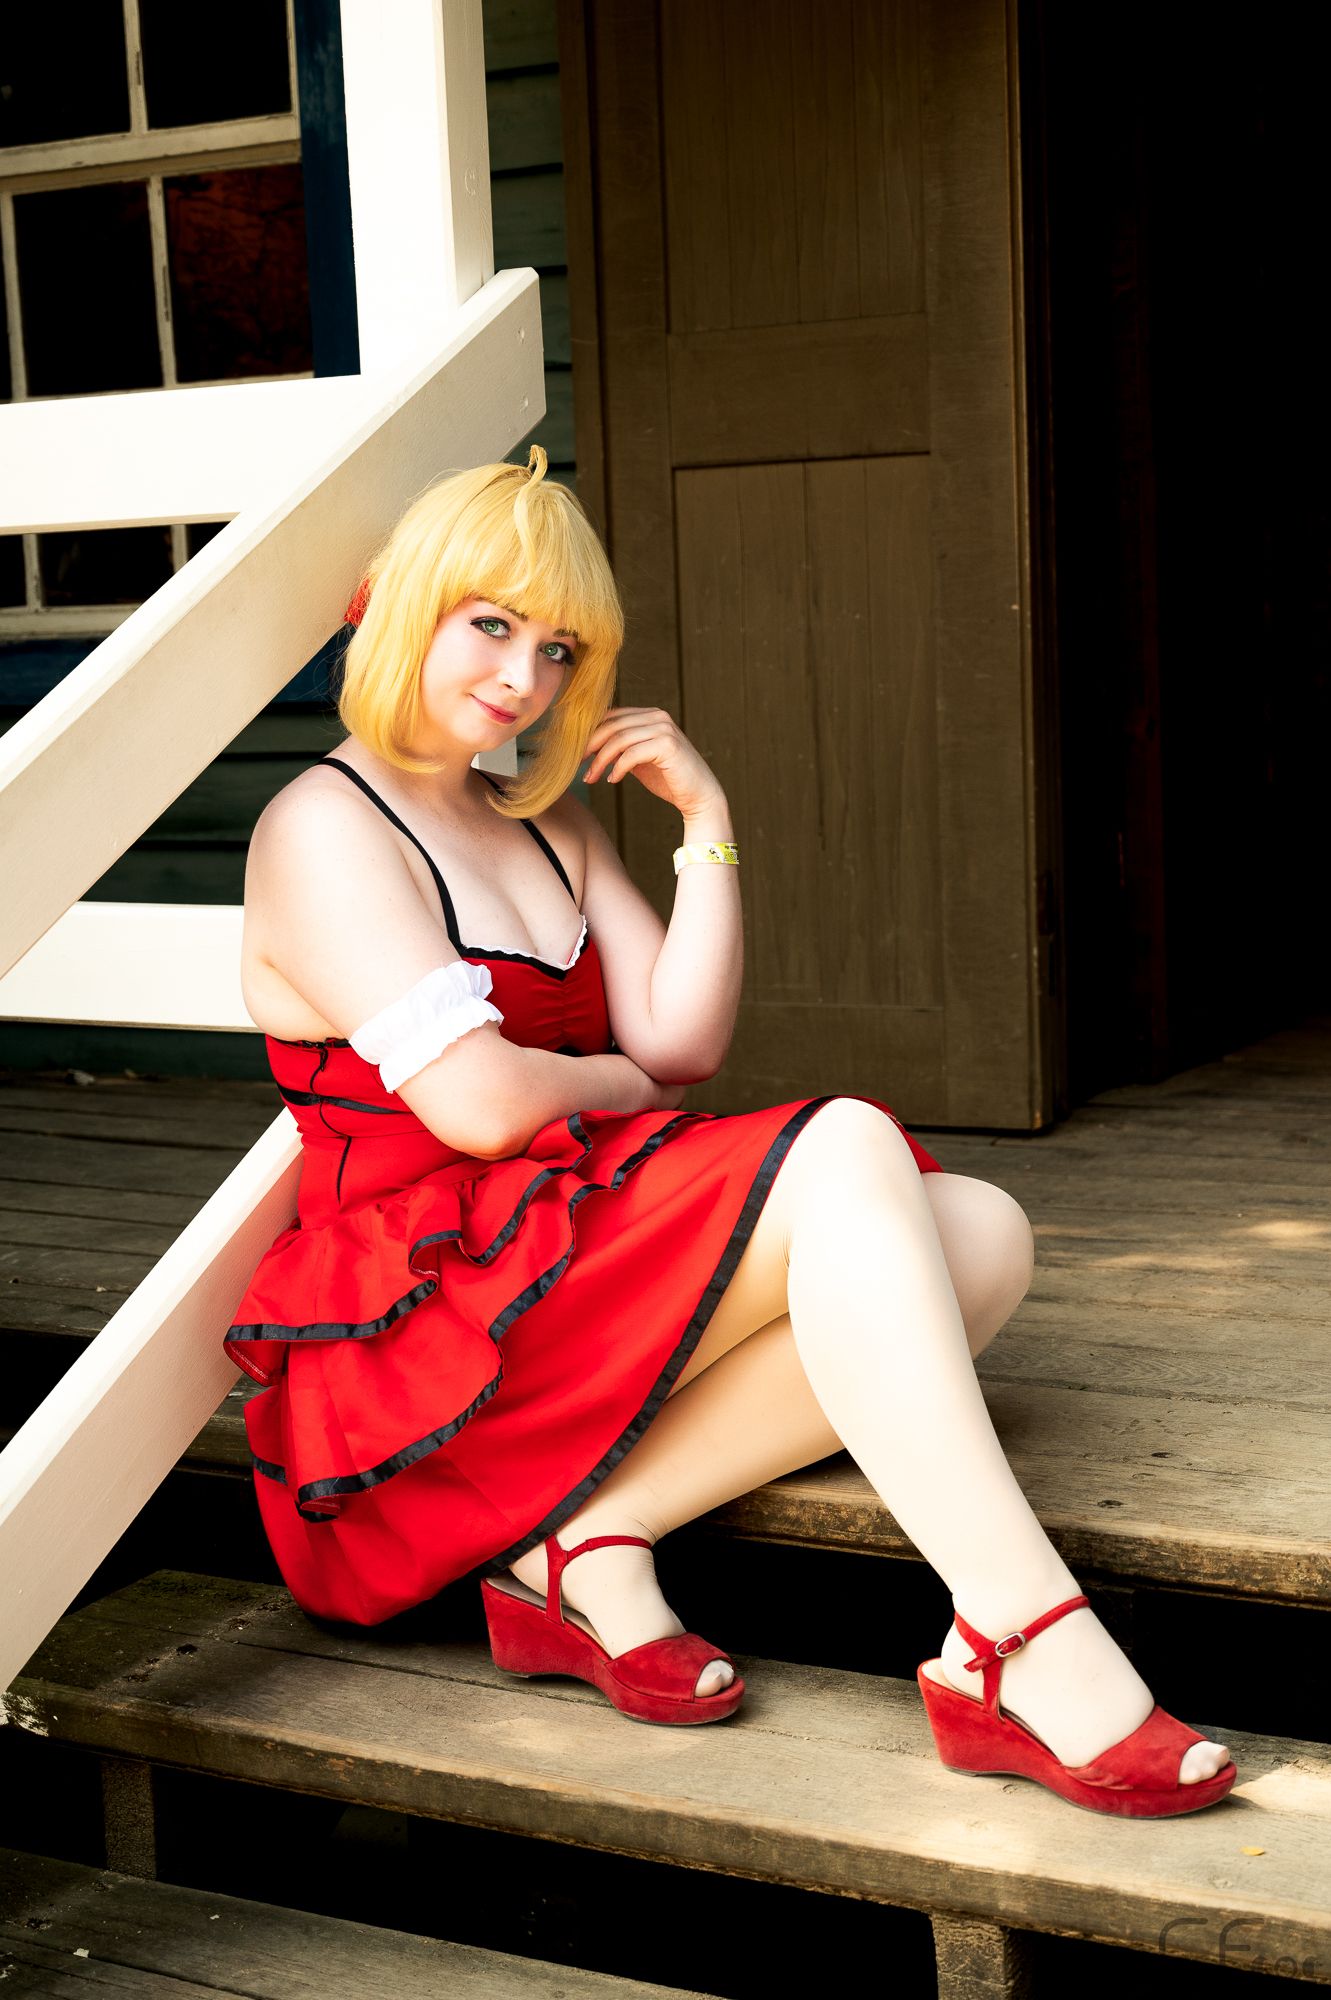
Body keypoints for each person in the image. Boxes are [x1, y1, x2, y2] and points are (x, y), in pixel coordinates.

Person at [230, 446, 1235, 1816]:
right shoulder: (320, 830)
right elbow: (482, 1107)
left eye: (556, 648)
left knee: (982, 1236)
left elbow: (685, 1045)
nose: (524, 677)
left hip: (563, 1241)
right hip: (424, 1332)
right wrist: (612, 1084)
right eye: (492, 625)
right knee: (844, 1144)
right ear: (402, 603)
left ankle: (590, 1538)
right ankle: (1021, 1636)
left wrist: (706, 820)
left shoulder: (545, 820)